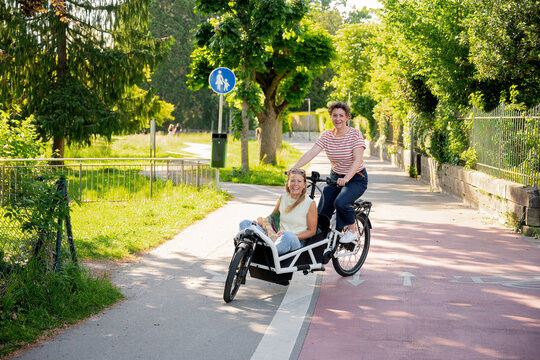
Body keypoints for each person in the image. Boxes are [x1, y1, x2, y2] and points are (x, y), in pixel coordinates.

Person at [291, 101, 368, 244]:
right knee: (322, 210)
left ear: (347, 118)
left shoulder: (355, 134)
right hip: (335, 177)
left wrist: (346, 178)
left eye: (341, 116)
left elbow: (358, 160)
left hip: (356, 178)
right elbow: (311, 153)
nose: (337, 119)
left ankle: (352, 231)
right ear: (331, 117)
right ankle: (320, 242)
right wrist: (294, 169)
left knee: (341, 202)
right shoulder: (327, 136)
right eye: (334, 115)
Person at [239, 169, 317, 255]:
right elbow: (272, 217)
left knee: (288, 236)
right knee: (245, 223)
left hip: (295, 241)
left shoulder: (310, 203)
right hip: (276, 238)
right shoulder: (283, 198)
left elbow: (312, 231)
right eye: (292, 181)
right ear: (288, 183)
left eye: (299, 181)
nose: (295, 184)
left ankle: (264, 252)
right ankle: (264, 250)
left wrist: (293, 235)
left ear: (304, 185)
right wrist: (260, 223)